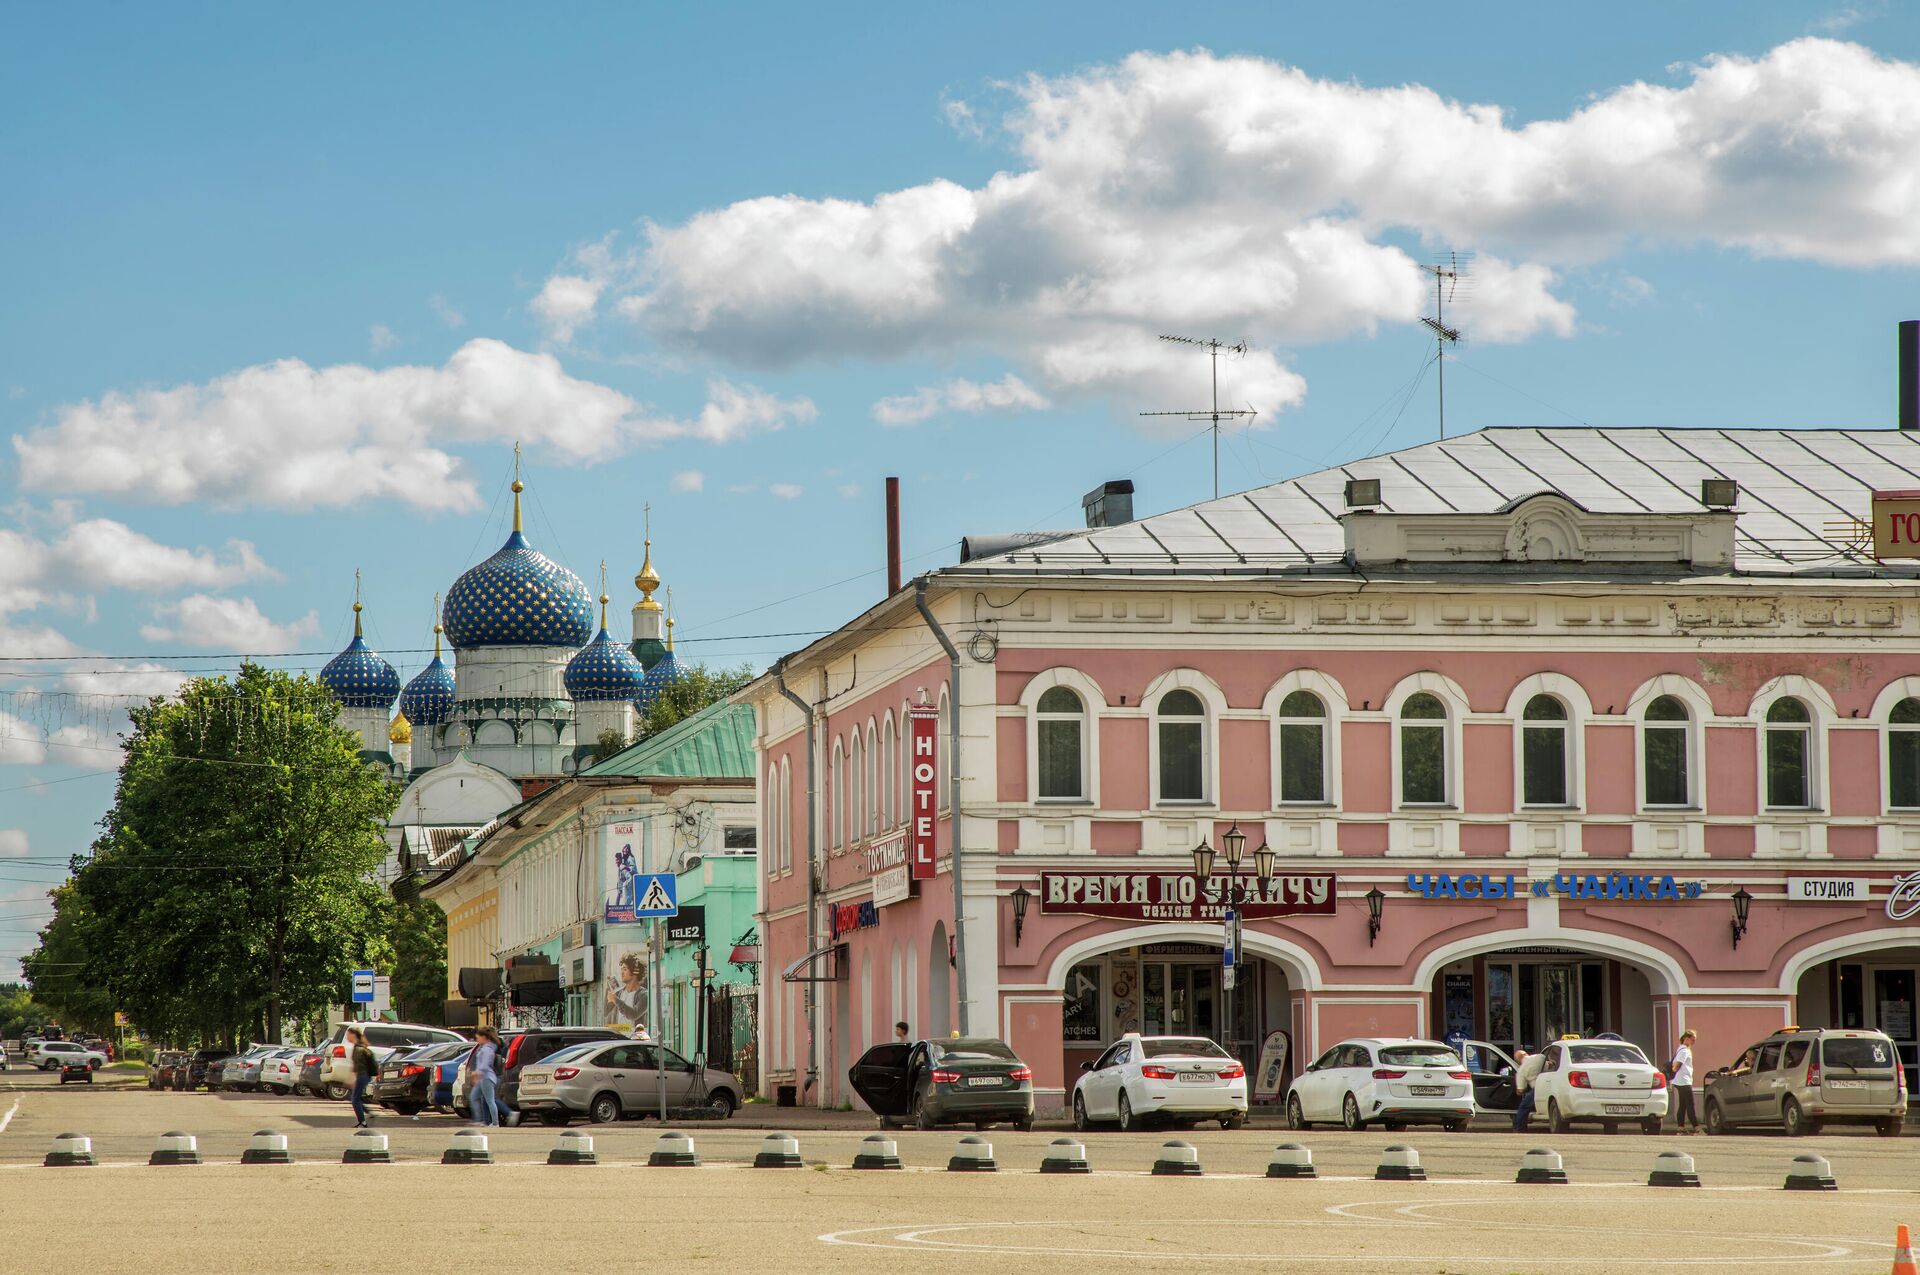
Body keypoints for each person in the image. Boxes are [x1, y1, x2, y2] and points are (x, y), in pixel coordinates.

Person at [468, 1027, 501, 1127]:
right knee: (474, 1097)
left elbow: (485, 1064)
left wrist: (476, 1073)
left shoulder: (487, 1049)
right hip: (483, 1077)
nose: (477, 1039)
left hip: (487, 1077)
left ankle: (495, 1123)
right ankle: (479, 1120)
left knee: (490, 1100)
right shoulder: (485, 1048)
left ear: (485, 1037)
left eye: (478, 1037)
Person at [1669, 1030, 1699, 1134]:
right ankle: (1697, 1128)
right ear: (1687, 1038)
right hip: (1684, 1081)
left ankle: (1680, 1128)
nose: (1694, 1041)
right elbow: (1678, 1065)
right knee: (1690, 1104)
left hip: (1680, 1081)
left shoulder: (1680, 1049)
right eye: (1693, 1039)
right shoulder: (1684, 1050)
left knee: (1683, 1105)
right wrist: (1674, 1070)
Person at [1511, 1046, 1546, 1132]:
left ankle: (1520, 1129)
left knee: (1523, 1107)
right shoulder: (1540, 1057)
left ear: (1518, 1060)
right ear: (1526, 1054)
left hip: (1536, 1089)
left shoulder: (1521, 1071)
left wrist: (1519, 1091)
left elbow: (1521, 1090)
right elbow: (1550, 1063)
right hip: (1549, 1085)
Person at [348, 1027, 376, 1128]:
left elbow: (358, 1066)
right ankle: (369, 1113)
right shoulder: (359, 1047)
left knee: (355, 1100)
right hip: (364, 1076)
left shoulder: (358, 1049)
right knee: (356, 1097)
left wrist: (354, 1079)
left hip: (362, 1076)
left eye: (348, 1034)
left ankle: (362, 1121)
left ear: (353, 1035)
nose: (347, 1037)